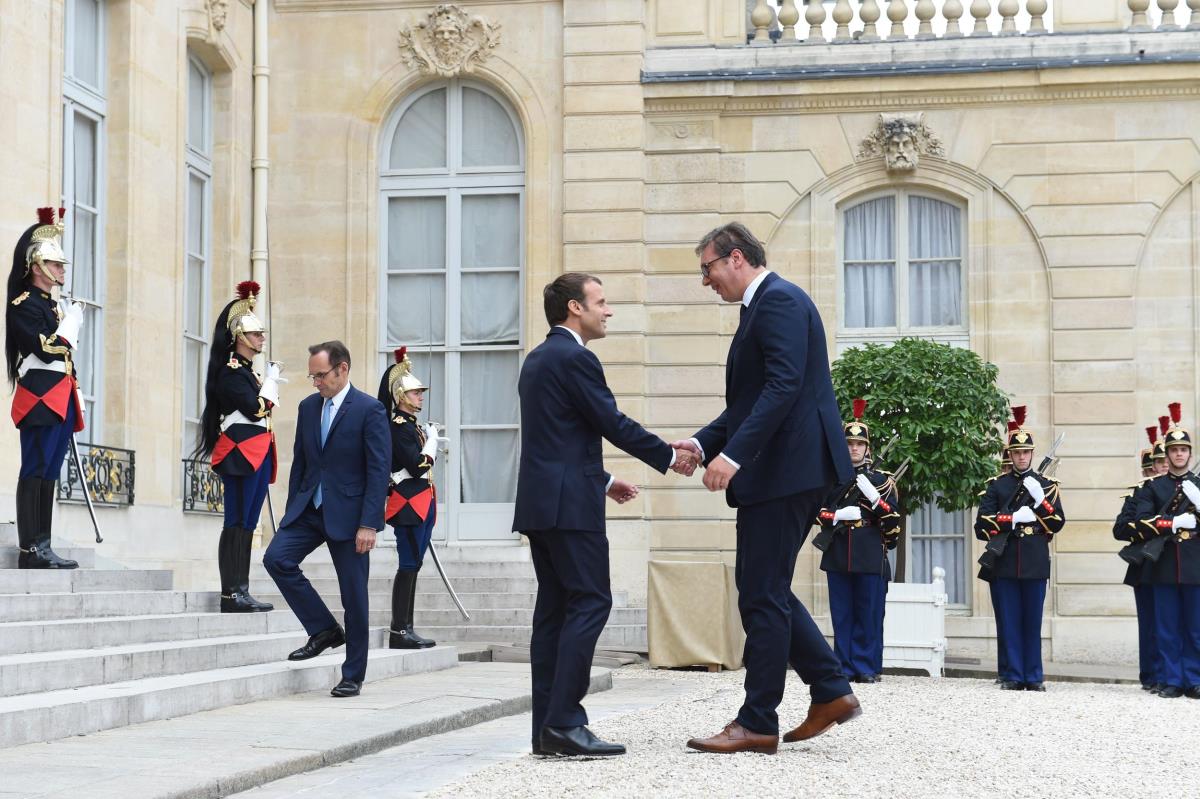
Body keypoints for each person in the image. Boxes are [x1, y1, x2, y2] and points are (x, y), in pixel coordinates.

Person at [679, 222, 859, 756]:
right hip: (788, 469)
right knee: (767, 587)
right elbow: (749, 403)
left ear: (736, 258)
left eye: (707, 268)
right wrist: (700, 441)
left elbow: (782, 388)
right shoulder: (764, 305)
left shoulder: (778, 300)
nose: (705, 280)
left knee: (760, 591)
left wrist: (732, 457)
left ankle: (758, 720)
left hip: (787, 471)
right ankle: (829, 690)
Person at [514, 272, 694, 758]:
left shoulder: (538, 358)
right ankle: (567, 721)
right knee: (592, 601)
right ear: (575, 307)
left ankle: (546, 729)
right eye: (601, 301)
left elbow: (558, 439)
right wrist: (666, 455)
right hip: (570, 508)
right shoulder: (576, 357)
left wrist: (605, 479)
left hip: (542, 503)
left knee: (554, 613)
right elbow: (609, 422)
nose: (608, 310)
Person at [263, 341, 390, 698]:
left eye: (321, 375)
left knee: (354, 596)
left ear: (342, 370)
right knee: (276, 559)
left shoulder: (370, 409)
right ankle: (324, 630)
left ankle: (353, 674)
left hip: (351, 518)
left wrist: (369, 523)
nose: (315, 382)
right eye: (312, 375)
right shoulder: (307, 408)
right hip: (310, 510)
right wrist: (292, 511)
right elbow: (301, 463)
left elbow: (378, 470)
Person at [193, 281, 280, 612]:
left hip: (254, 453)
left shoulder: (247, 373)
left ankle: (241, 588)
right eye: (255, 334)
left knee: (247, 523)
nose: (261, 338)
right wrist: (270, 385)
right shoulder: (231, 372)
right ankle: (231, 591)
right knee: (237, 521)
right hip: (240, 454)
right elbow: (255, 409)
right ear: (239, 337)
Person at [5, 207, 83, 569]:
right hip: (39, 398)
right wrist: (69, 329)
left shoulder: (54, 306)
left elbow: (65, 360)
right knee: (35, 468)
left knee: (50, 470)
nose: (62, 271)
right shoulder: (24, 305)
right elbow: (44, 347)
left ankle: (44, 543)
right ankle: (29, 549)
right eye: (56, 265)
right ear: (37, 267)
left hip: (60, 397)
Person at [974, 404, 1065, 691]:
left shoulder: (1046, 486)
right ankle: (1013, 675)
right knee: (1010, 621)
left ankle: (1033, 676)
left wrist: (1041, 501)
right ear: (1010, 455)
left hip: (1035, 560)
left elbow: (1058, 522)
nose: (1022, 456)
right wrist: (1011, 518)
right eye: (1017, 452)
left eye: (1026, 452)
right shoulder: (997, 486)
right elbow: (981, 525)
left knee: (1032, 622)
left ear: (1032, 454)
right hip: (1005, 559)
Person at [815, 398, 902, 684]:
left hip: (869, 552)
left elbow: (893, 525)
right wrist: (839, 515)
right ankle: (843, 666)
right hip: (839, 550)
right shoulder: (831, 478)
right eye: (850, 444)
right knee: (842, 615)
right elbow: (817, 513)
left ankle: (866, 667)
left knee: (869, 614)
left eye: (859, 444)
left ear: (868, 448)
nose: (854, 449)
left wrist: (877, 501)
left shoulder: (883, 481)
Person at [1132, 402, 1200, 699]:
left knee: (1195, 629)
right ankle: (1173, 680)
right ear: (1168, 454)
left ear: (1190, 453)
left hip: (1195, 565)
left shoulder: (1199, 486)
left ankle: (1195, 679)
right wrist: (1174, 522)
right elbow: (1141, 523)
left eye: (1183, 450)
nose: (1179, 454)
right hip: (1163, 565)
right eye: (1174, 450)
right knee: (1168, 628)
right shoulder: (1153, 487)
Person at [377, 346, 440, 649]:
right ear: (401, 396)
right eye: (416, 393)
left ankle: (407, 627)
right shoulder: (399, 427)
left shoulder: (411, 426)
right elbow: (416, 467)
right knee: (408, 565)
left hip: (420, 501)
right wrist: (432, 447)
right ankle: (400, 630)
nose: (421, 397)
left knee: (413, 564)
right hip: (408, 503)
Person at [1113, 424, 1164, 691]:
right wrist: (1148, 528)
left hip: (1180, 565)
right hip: (1147, 566)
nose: (1163, 466)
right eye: (1159, 462)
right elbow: (1121, 528)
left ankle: (1175, 674)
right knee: (1151, 624)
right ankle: (1152, 675)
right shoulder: (1139, 493)